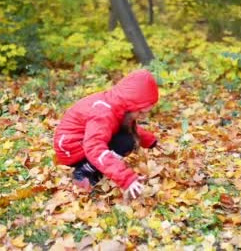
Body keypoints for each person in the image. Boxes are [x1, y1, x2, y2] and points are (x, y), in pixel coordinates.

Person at [53, 69, 161, 199]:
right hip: (71, 149)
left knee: (127, 139)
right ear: (129, 105)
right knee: (125, 143)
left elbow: (125, 127)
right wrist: (126, 178)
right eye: (141, 112)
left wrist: (151, 141)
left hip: (84, 141)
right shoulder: (102, 113)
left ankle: (95, 166)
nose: (144, 116)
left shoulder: (117, 106)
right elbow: (94, 147)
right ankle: (84, 171)